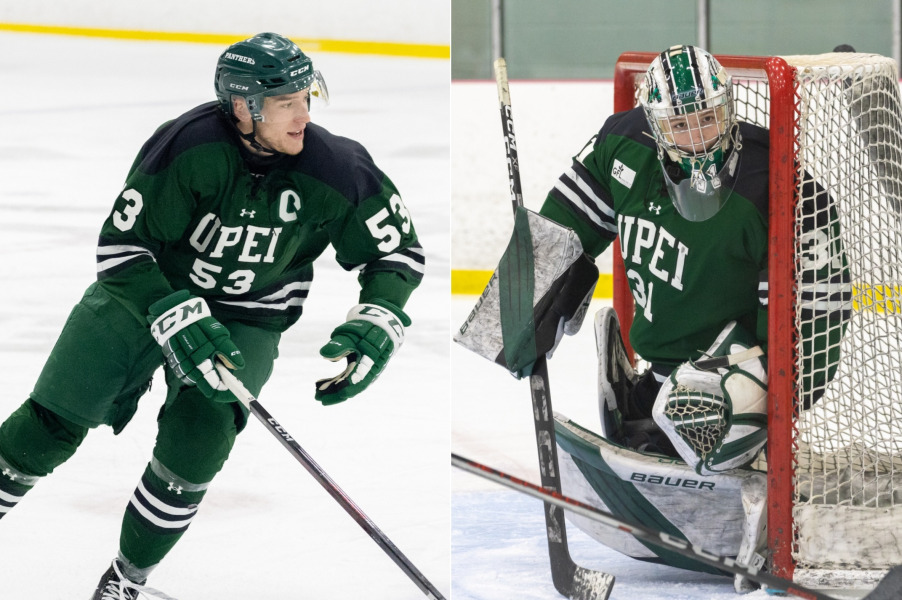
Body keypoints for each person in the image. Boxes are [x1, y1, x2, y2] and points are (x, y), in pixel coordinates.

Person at [0, 32, 423, 600]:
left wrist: (378, 317)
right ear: (244, 106)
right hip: (144, 297)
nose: (304, 115)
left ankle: (125, 583)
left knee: (196, 447)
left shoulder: (338, 167)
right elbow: (122, 249)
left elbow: (395, 252)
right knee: (49, 423)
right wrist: (170, 310)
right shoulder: (188, 146)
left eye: (307, 97)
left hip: (250, 317)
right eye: (286, 103)